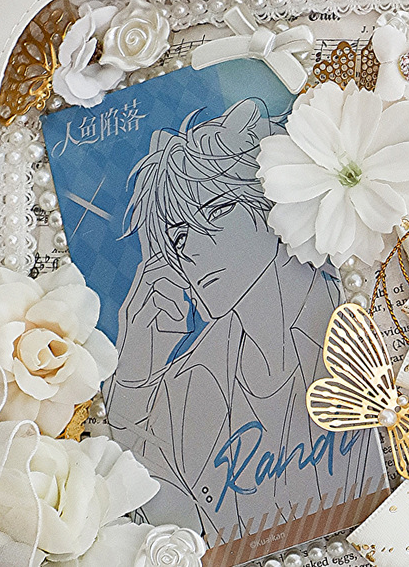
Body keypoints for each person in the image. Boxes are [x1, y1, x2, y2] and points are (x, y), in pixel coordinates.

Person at [103, 98, 382, 538]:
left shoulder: (362, 315)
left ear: (270, 201)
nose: (191, 250)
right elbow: (168, 531)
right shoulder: (184, 387)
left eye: (215, 211)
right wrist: (134, 378)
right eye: (178, 236)